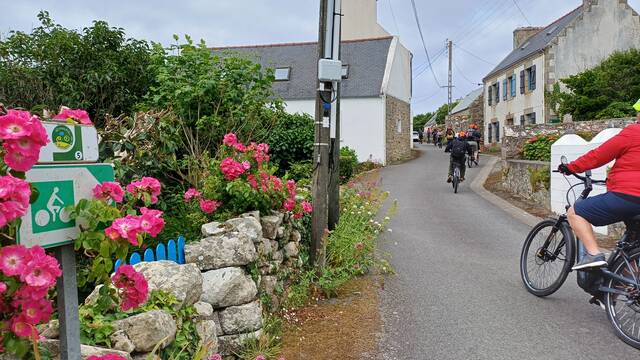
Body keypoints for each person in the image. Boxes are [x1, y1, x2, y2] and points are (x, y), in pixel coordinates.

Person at [558, 100, 640, 270]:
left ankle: (594, 254)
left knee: (575, 212)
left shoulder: (634, 132)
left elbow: (599, 155)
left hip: (627, 196)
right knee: (631, 247)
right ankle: (617, 292)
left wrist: (571, 167)